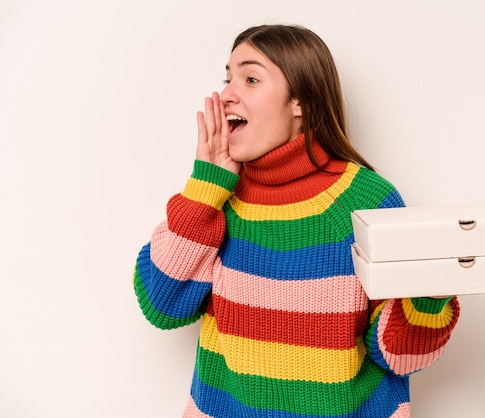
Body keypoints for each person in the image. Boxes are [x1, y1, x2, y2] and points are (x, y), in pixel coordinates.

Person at [133, 24, 460, 418]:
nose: (226, 94)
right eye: (227, 77)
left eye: (250, 78)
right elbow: (161, 305)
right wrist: (205, 188)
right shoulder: (217, 196)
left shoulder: (369, 202)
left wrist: (429, 294)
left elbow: (400, 357)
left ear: (300, 102)